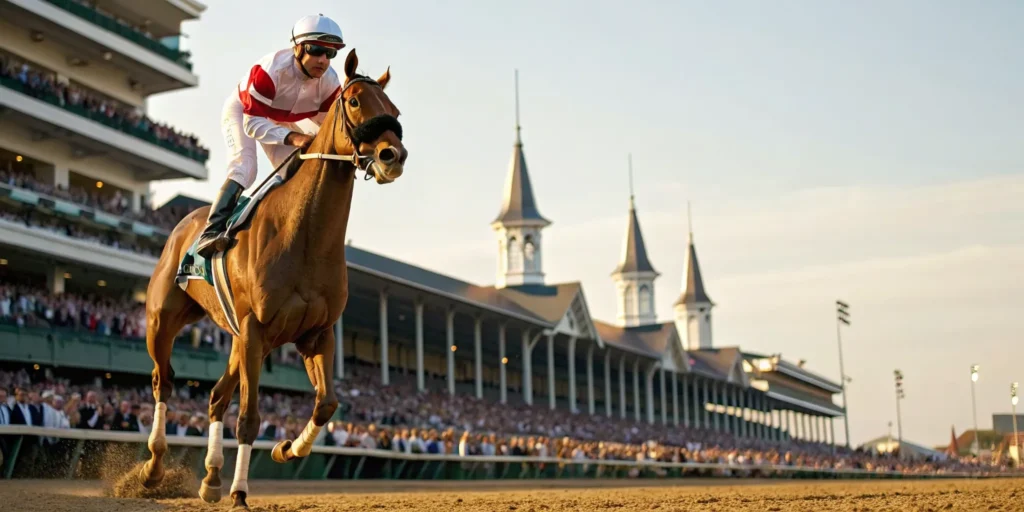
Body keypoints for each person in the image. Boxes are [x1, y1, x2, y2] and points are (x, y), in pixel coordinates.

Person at [196, 14, 346, 257]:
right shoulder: (270, 70)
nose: (323, 60)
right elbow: (252, 124)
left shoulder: (330, 81)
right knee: (246, 168)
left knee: (299, 170)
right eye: (316, 49)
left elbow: (327, 126)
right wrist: (294, 138)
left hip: (285, 118)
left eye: (330, 54)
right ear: (297, 48)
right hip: (246, 112)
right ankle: (211, 232)